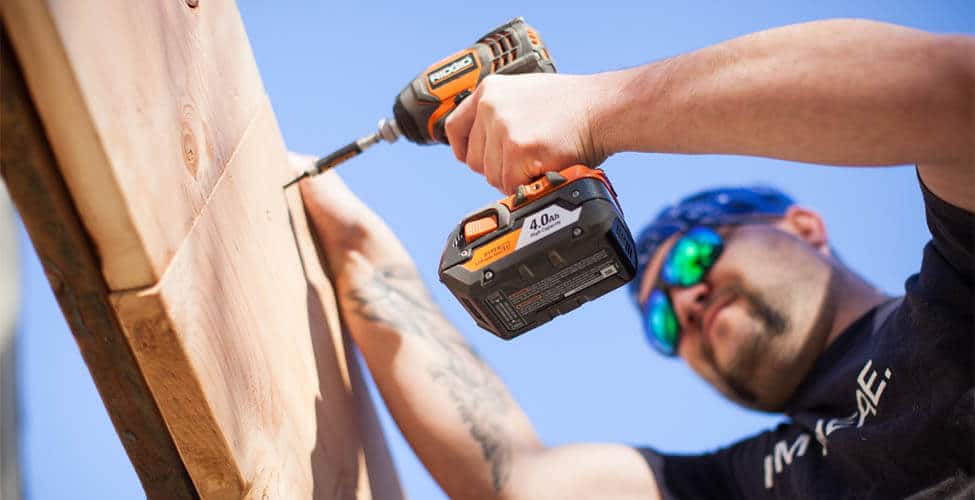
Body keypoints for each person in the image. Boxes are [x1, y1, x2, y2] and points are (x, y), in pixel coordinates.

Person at [297, 19, 973, 499]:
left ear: (802, 226)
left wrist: (598, 110)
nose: (682, 303)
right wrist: (355, 244)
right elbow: (519, 480)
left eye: (691, 258)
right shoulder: (741, 482)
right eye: (659, 321)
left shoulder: (958, 296)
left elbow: (953, 94)